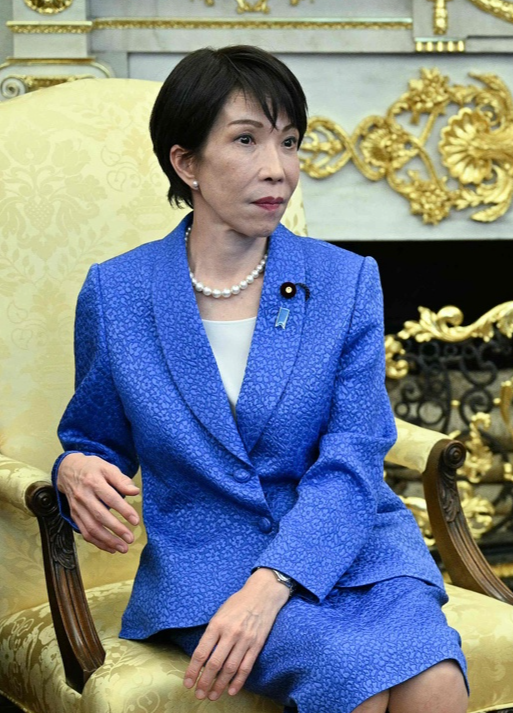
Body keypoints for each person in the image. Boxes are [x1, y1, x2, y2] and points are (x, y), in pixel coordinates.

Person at [51, 46, 467, 713]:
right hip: (208, 568)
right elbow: (95, 438)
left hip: (357, 550)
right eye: (246, 140)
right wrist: (74, 466)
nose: (278, 168)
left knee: (438, 682)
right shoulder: (118, 292)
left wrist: (273, 582)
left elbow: (354, 455)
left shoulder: (346, 281)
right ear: (186, 163)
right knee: (357, 685)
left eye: (289, 141)